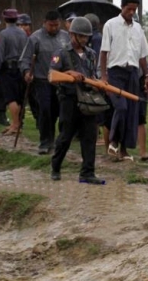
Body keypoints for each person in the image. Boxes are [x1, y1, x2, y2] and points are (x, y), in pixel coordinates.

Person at [49, 17, 104, 184]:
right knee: (66, 136)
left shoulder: (91, 54)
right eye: (81, 36)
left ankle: (87, 172)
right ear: (72, 34)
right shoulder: (61, 53)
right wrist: (69, 74)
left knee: (90, 136)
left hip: (87, 99)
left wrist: (98, 83)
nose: (84, 40)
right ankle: (56, 167)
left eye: (86, 37)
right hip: (69, 99)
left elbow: (93, 74)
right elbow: (51, 75)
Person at [99, 0, 148, 161]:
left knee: (131, 112)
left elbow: (142, 55)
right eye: (129, 9)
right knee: (120, 107)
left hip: (133, 73)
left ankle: (123, 150)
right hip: (115, 73)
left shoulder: (138, 28)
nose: (131, 12)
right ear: (122, 7)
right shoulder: (111, 25)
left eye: (134, 9)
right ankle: (113, 142)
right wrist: (103, 76)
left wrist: (147, 76)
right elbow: (104, 52)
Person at [20, 10, 70, 154]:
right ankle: (45, 142)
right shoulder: (35, 38)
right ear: (44, 23)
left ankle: (59, 142)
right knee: (45, 110)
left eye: (56, 25)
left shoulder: (65, 37)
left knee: (59, 111)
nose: (54, 28)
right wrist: (26, 72)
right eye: (51, 25)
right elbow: (25, 59)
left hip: (61, 80)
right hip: (42, 80)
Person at [0, 8, 27, 135]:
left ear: (5, 19)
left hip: (8, 68)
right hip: (21, 67)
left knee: (10, 97)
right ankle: (16, 123)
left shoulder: (3, 34)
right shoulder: (23, 33)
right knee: (18, 97)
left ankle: (15, 125)